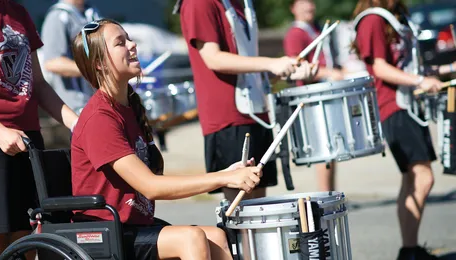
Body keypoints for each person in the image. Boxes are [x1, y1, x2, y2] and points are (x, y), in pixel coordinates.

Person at [70, 18, 263, 260]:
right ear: (99, 63)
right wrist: (225, 178)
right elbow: (151, 187)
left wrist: (228, 173)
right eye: (121, 43)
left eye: (129, 38)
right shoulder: (99, 118)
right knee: (191, 238)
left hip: (134, 225)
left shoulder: (127, 107)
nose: (132, 45)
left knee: (216, 236)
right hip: (104, 231)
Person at [0, 0, 79, 259]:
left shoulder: (18, 11)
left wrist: (77, 123)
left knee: (27, 245)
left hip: (27, 139)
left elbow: (39, 85)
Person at [175, 0, 315, 203]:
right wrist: (271, 63)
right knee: (241, 214)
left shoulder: (242, 3)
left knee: (259, 210)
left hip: (256, 112)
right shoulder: (199, 2)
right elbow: (213, 58)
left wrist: (289, 70)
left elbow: (246, 64)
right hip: (228, 118)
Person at [352, 0, 443, 259]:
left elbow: (406, 65)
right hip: (393, 107)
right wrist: (419, 80)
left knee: (412, 179)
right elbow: (380, 68)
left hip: (408, 105)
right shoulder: (373, 19)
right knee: (423, 177)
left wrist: (441, 72)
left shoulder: (395, 17)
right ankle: (408, 250)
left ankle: (410, 249)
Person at [283, 0, 345, 192]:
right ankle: (326, 196)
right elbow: (296, 69)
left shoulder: (315, 29)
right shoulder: (295, 34)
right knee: (324, 152)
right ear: (293, 8)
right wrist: (328, 73)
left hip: (325, 95)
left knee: (332, 151)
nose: (309, 7)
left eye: (310, 3)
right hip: (311, 99)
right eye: (303, 4)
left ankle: (331, 193)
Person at [40, 0, 101, 115]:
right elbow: (52, 63)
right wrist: (94, 69)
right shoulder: (58, 16)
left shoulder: (92, 12)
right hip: (76, 105)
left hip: (97, 101)